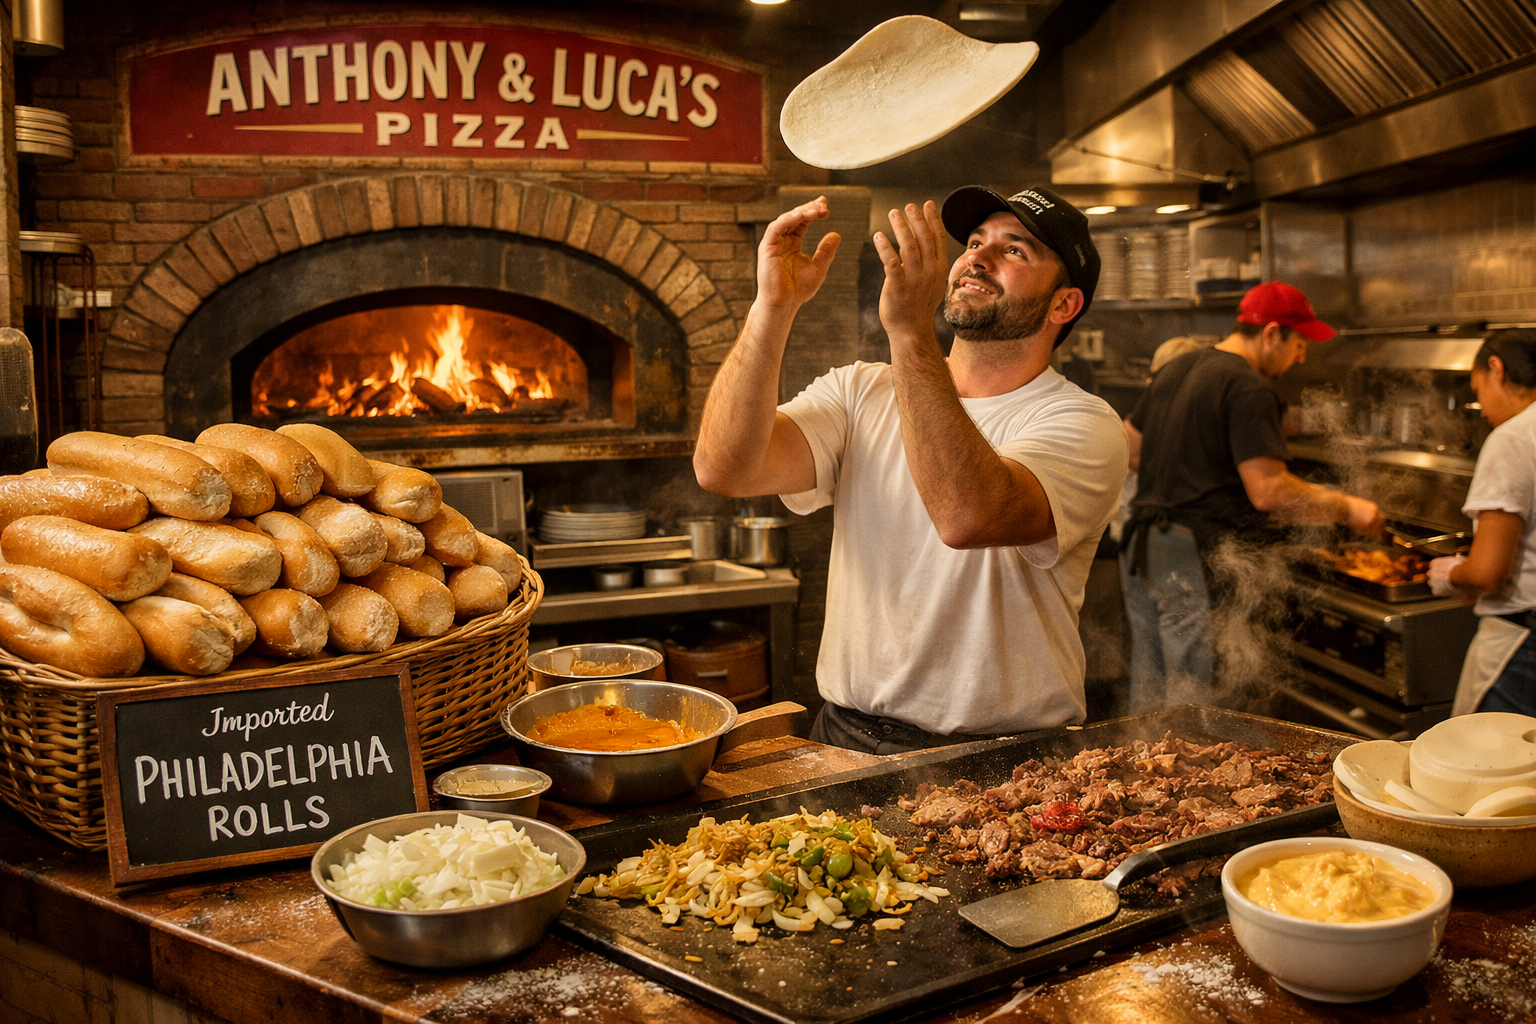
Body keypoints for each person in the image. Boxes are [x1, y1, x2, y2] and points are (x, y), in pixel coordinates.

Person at [692, 186, 1127, 753]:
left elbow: (966, 516)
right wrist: (772, 306)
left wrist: (910, 332)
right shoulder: (860, 389)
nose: (977, 257)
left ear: (1063, 306)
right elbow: (726, 469)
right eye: (975, 242)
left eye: (1015, 250)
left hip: (1006, 760)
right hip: (845, 737)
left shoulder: (1083, 422)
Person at [1120, 282, 1383, 712]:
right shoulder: (1248, 386)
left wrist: (1192, 475)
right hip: (1191, 554)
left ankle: (1134, 772)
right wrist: (1349, 507)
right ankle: (1192, 777)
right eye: (1299, 344)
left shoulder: (1178, 368)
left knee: (1150, 689)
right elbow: (1268, 490)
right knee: (1196, 696)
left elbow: (1131, 448)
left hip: (1143, 546)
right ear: (1272, 333)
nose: (1301, 356)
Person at [1428, 329, 1536, 718]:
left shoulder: (1513, 439)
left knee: (1488, 770)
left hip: (1524, 646)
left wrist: (1453, 573)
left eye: (1477, 388)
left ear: (1497, 369)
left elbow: (1489, 573)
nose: (1481, 405)